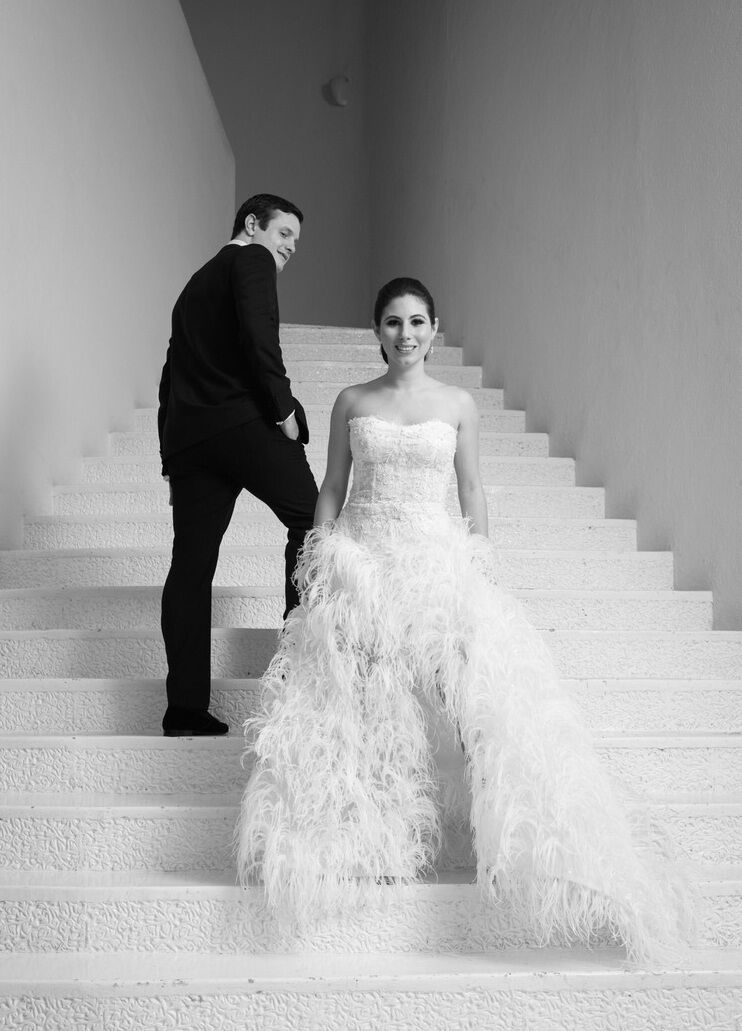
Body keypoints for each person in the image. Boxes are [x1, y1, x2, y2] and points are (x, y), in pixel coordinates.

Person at [236, 277, 692, 963]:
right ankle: (371, 841)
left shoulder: (457, 403)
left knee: (472, 701)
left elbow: (472, 487)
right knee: (362, 703)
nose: (406, 334)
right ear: (377, 330)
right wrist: (323, 559)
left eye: (417, 321)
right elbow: (332, 486)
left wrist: (481, 565)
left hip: (433, 560)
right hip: (363, 562)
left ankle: (507, 840)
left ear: (434, 326)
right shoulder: (351, 400)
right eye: (392, 322)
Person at [158, 194, 318, 737]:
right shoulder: (250, 259)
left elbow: (170, 375)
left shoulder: (190, 289)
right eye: (284, 233)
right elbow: (259, 335)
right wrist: (284, 409)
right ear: (252, 225)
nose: (290, 247)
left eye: (296, 239)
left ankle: (184, 710)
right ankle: (300, 678)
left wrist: (171, 460)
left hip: (190, 442)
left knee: (191, 567)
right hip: (243, 425)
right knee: (316, 524)